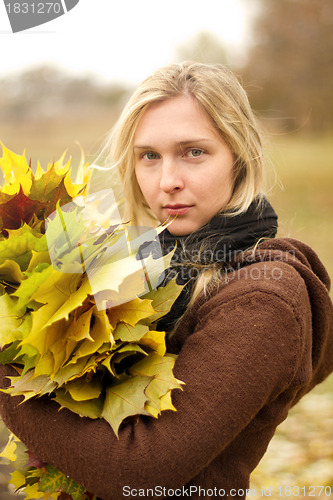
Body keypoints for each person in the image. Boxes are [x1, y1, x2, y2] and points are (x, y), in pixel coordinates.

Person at [0, 61, 332, 500]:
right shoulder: (144, 260)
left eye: (194, 152)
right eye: (149, 156)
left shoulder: (263, 299)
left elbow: (137, 472)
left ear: (240, 157)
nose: (167, 181)